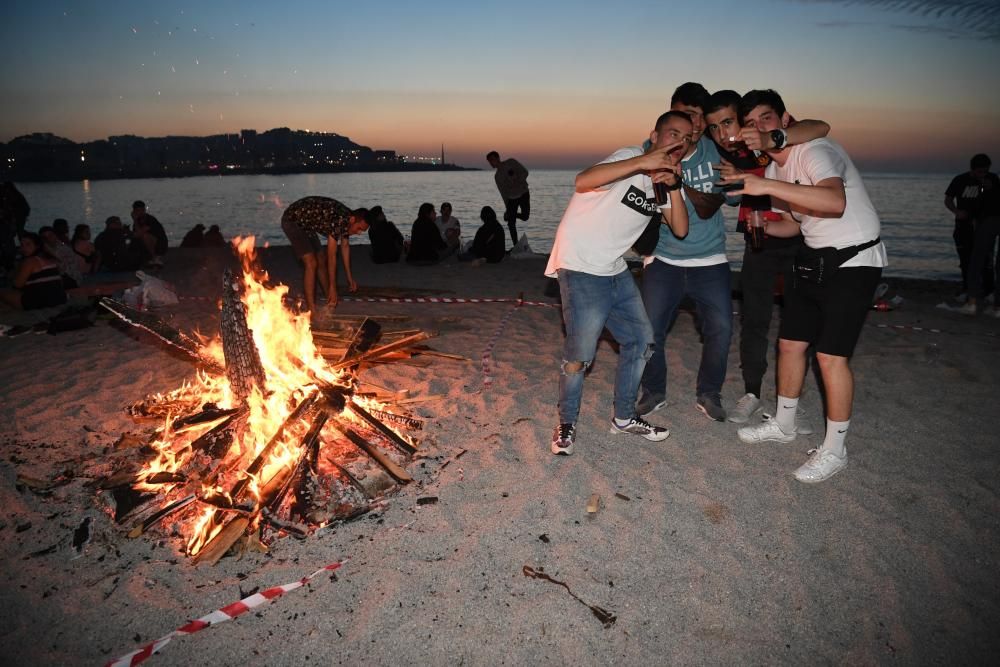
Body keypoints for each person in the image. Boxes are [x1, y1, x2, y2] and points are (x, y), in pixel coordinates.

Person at [722, 88, 888, 484]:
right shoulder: (777, 170)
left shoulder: (815, 149)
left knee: (830, 357)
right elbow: (800, 222)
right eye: (749, 123)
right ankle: (784, 424)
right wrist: (764, 225)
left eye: (766, 117)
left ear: (784, 119)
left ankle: (835, 450)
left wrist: (765, 189)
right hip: (814, 258)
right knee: (790, 344)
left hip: (855, 260)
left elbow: (833, 202)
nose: (757, 127)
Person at [545, 110, 692, 456]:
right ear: (654, 136)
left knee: (641, 340)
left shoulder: (662, 181)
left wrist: (673, 186)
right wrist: (643, 161)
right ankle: (566, 422)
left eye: (687, 140)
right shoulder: (629, 157)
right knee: (580, 355)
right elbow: (583, 180)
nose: (679, 143)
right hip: (580, 263)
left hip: (613, 267)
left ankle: (624, 418)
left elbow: (681, 228)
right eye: (673, 134)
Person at [704, 89, 831, 424]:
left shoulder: (784, 140)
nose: (726, 131)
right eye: (718, 126)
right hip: (758, 238)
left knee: (799, 322)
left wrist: (768, 135)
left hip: (798, 237)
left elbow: (820, 126)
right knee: (755, 320)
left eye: (731, 122)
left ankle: (792, 399)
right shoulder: (729, 146)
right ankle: (752, 393)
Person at [637, 82, 733, 423]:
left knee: (721, 328)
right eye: (681, 114)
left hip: (711, 260)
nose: (688, 124)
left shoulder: (715, 151)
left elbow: (735, 195)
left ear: (702, 122)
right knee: (649, 330)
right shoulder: (652, 152)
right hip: (664, 259)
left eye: (694, 116)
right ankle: (654, 390)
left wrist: (738, 179)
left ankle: (709, 392)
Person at [280, 196, 368, 312]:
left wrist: (349, 278)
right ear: (352, 220)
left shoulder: (347, 220)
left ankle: (330, 298)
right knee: (311, 262)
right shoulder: (339, 220)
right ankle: (312, 310)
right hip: (292, 220)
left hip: (307, 224)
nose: (358, 233)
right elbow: (332, 256)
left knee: (321, 258)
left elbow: (345, 247)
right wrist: (333, 286)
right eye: (359, 228)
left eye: (362, 231)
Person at [948, 154, 1000, 316]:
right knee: (969, 260)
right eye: (979, 172)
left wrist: (990, 187)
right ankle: (970, 294)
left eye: (985, 171)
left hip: (985, 223)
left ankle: (989, 296)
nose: (982, 175)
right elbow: (948, 199)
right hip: (967, 225)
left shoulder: (993, 180)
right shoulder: (960, 180)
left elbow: (993, 203)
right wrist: (957, 211)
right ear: (972, 169)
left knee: (987, 261)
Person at [0, 232, 67, 311]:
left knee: (3, 292)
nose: (24, 248)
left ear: (37, 246)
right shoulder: (51, 260)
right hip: (58, 299)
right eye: (22, 245)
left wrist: (11, 275)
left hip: (39, 303)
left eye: (28, 244)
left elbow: (18, 284)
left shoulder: (30, 261)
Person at [486, 151, 530, 246]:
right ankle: (516, 246)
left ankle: (512, 215)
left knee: (525, 216)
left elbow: (525, 172)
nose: (491, 163)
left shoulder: (511, 162)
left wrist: (517, 179)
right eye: (489, 161)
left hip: (523, 193)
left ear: (498, 158)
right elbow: (503, 193)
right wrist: (507, 209)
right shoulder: (497, 177)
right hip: (511, 198)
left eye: (492, 160)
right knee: (511, 224)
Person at [0, 182, 30, 271]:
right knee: (14, 235)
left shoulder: (11, 196)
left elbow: (11, 211)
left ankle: (12, 258)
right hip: (16, 217)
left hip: (17, 216)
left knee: (13, 235)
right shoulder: (13, 194)